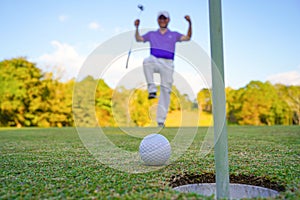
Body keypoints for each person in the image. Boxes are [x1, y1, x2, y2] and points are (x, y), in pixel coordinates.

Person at [135, 11, 192, 127]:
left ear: (168, 20)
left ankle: (160, 120)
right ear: (158, 20)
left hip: (168, 63)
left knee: (166, 90)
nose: (162, 20)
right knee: (147, 61)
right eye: (160, 19)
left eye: (164, 19)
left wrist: (190, 23)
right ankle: (152, 89)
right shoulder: (152, 34)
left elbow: (187, 37)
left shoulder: (174, 34)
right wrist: (136, 27)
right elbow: (139, 39)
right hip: (155, 60)